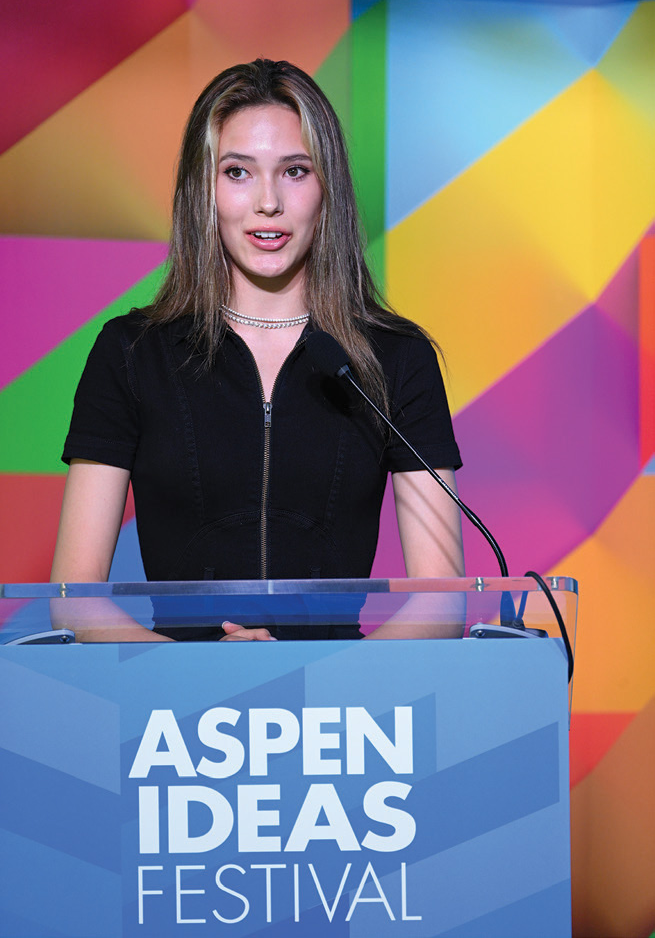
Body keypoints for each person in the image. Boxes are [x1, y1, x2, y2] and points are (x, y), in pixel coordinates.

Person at [50, 58, 464, 642]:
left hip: (346, 713)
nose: (267, 202)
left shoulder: (397, 358)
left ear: (328, 188)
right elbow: (75, 599)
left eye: (295, 171)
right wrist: (197, 671)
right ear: (204, 189)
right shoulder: (131, 353)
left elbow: (441, 604)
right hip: (169, 712)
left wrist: (319, 675)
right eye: (238, 172)